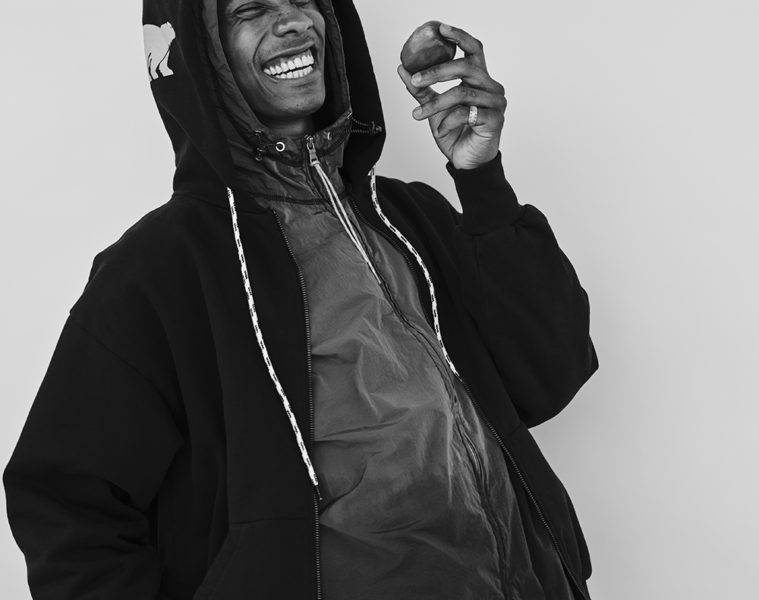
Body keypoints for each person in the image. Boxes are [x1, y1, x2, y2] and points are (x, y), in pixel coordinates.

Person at [3, 0, 599, 598]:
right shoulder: (160, 267)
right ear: (198, 51)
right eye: (251, 9)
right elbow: (65, 500)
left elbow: (547, 380)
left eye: (303, 1)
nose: (293, 22)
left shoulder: (409, 217)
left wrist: (481, 181)